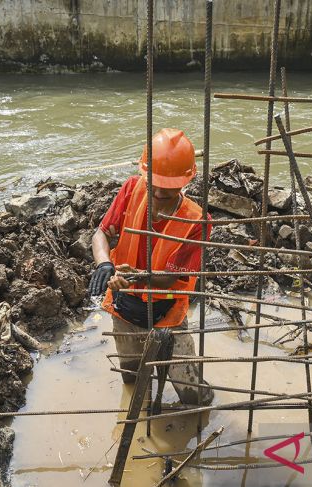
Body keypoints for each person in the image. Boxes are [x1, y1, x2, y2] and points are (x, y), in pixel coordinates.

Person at [88, 128, 213, 406]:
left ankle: (197, 416)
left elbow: (170, 280)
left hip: (166, 315)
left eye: (166, 190)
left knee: (193, 396)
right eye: (152, 184)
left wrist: (131, 278)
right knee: (132, 381)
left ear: (185, 182)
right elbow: (102, 233)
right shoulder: (133, 188)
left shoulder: (197, 221)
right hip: (124, 309)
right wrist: (105, 264)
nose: (156, 193)